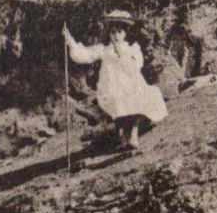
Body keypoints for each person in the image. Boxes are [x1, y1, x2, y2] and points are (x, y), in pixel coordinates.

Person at [63, 12, 167, 152]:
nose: (116, 35)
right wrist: (70, 41)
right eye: (113, 32)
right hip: (112, 87)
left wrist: (123, 56)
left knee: (143, 99)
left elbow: (138, 65)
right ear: (109, 34)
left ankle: (134, 134)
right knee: (117, 106)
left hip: (132, 85)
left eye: (119, 32)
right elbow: (85, 55)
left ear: (125, 34)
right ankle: (122, 134)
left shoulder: (132, 48)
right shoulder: (105, 50)